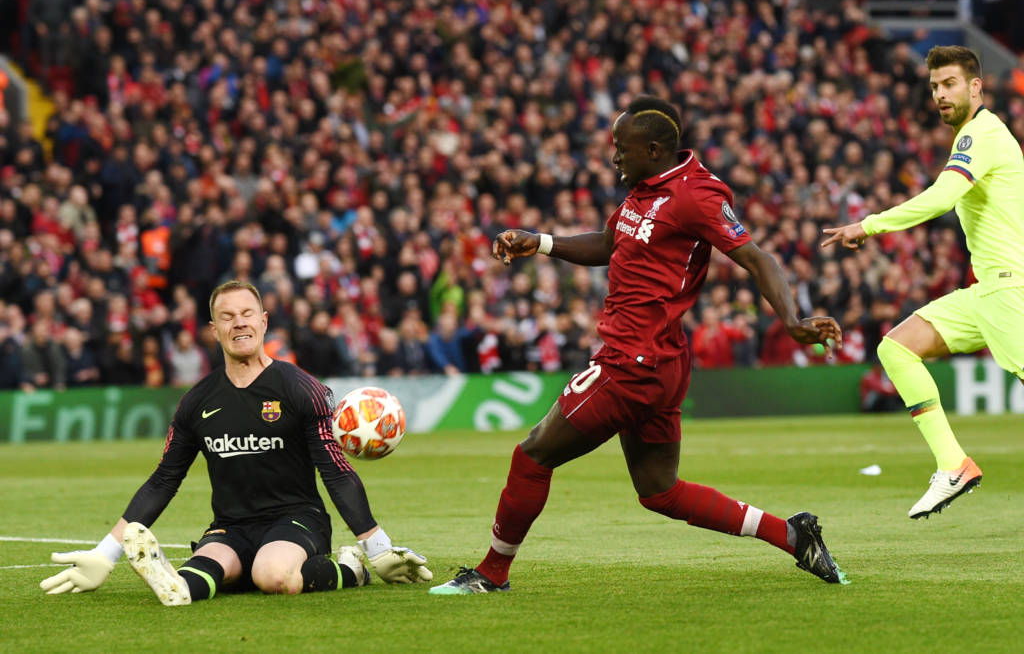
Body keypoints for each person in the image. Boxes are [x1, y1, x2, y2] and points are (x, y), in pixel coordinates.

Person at [430, 95, 847, 595]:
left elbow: (758, 258)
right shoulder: (644, 190)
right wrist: (540, 242)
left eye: (621, 148)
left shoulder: (695, 195)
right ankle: (792, 535)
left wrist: (792, 320)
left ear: (652, 149)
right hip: (658, 361)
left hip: (633, 363)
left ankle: (491, 574)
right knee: (659, 491)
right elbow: (608, 245)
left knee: (532, 456)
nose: (614, 158)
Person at [39, 281, 431, 606]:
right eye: (227, 317)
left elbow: (336, 471)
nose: (239, 323)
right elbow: (163, 480)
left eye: (247, 314)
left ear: (263, 321)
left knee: (272, 575)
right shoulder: (196, 402)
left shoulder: (300, 388)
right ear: (214, 330)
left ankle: (351, 568)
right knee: (204, 568)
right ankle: (177, 587)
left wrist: (377, 547)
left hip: (297, 518)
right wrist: (105, 554)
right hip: (231, 524)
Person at [823, 45, 1024, 519]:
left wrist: (869, 224)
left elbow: (941, 197)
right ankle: (953, 465)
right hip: (987, 291)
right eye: (934, 86)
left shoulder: (981, 134)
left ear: (976, 86)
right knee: (897, 348)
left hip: (1009, 289)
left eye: (950, 84)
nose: (940, 94)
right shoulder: (978, 135)